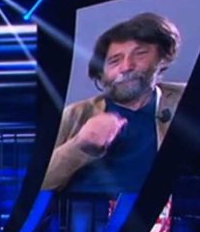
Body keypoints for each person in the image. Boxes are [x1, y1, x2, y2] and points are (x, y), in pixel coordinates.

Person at [42, 12, 185, 193]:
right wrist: (79, 145)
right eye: (114, 61)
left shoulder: (185, 101)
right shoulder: (74, 115)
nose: (126, 67)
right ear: (101, 74)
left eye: (140, 54)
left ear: (162, 59)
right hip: (90, 209)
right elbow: (38, 183)